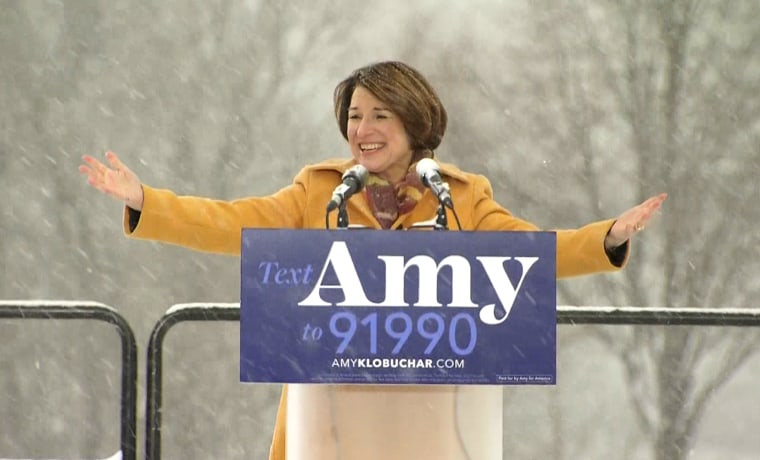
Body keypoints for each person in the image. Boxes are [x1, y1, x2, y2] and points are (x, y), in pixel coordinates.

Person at [80, 61, 666, 460]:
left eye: (380, 115)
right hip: (328, 423)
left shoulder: (460, 197)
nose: (363, 129)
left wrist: (606, 237)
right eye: (356, 116)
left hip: (430, 423)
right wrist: (145, 202)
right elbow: (232, 222)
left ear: (415, 124)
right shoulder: (318, 191)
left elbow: (530, 252)